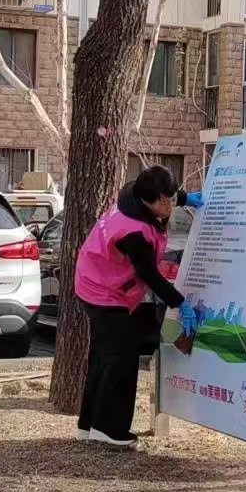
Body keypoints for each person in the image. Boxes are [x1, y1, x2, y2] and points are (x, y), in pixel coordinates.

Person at [73, 165, 203, 448]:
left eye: (172, 198)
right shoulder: (134, 232)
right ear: (151, 200)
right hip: (102, 289)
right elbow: (149, 275)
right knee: (121, 356)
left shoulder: (134, 194)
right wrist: (180, 303)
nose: (170, 206)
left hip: (96, 278)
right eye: (165, 201)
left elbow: (162, 193)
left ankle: (89, 425)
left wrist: (186, 198)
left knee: (103, 354)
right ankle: (110, 429)